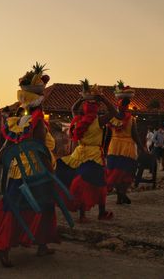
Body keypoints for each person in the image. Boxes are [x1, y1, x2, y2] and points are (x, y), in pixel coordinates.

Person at [0, 63, 60, 267]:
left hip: (17, 169)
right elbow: (40, 149)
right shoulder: (36, 121)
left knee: (22, 205)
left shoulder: (20, 119)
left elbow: (7, 143)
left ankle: (42, 245)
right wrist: (51, 170)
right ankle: (2, 246)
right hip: (36, 171)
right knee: (33, 206)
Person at [57, 80, 116, 222]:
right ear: (96, 108)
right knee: (98, 183)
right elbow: (114, 112)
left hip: (79, 153)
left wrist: (81, 98)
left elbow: (72, 109)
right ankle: (100, 213)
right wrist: (103, 99)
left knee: (80, 181)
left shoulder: (77, 119)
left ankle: (83, 215)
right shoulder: (99, 121)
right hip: (94, 155)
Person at [106, 82, 146, 205]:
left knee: (121, 172)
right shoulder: (126, 119)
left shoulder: (120, 118)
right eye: (125, 103)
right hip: (122, 147)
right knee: (122, 172)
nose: (126, 106)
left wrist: (141, 148)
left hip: (118, 147)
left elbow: (134, 135)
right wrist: (142, 148)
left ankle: (121, 195)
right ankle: (121, 194)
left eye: (126, 104)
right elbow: (134, 135)